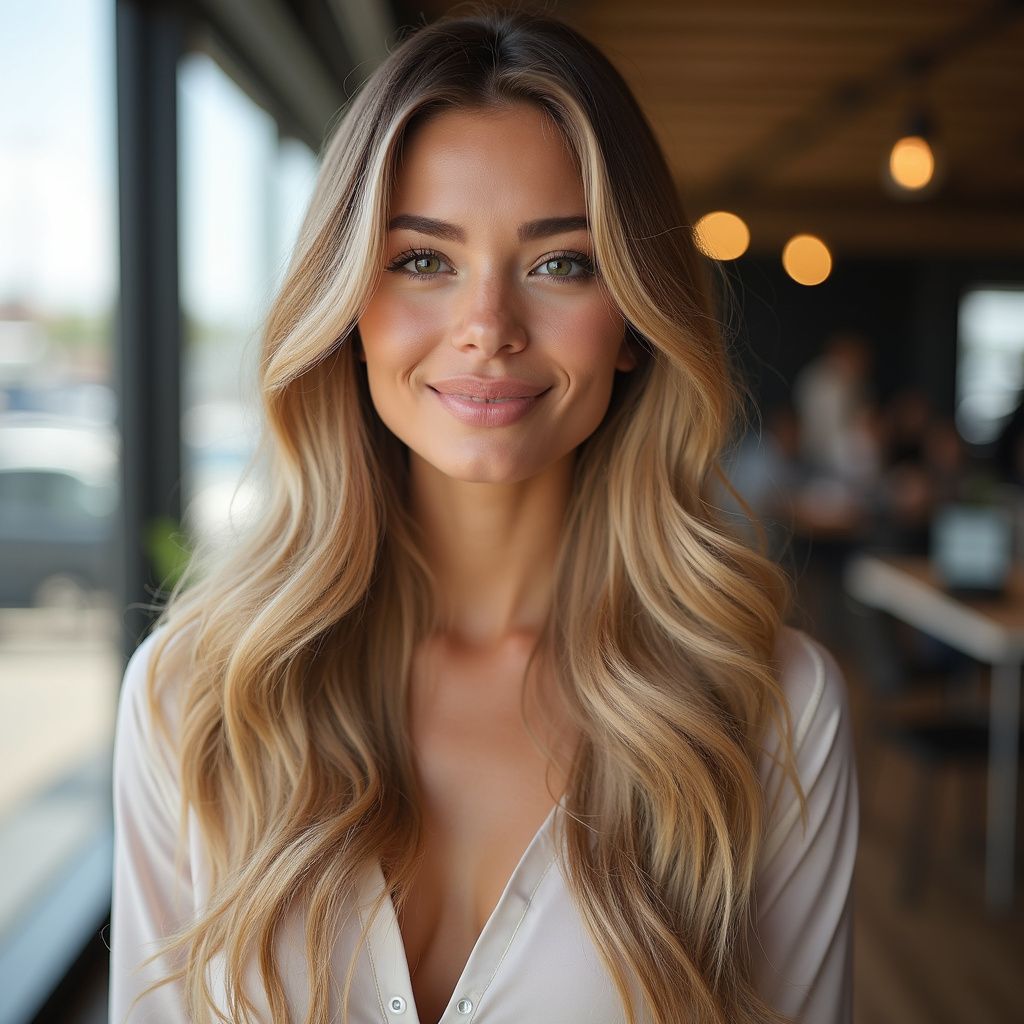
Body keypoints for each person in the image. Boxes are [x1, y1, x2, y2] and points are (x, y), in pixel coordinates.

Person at [108, 7, 858, 1024]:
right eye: (423, 259)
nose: (488, 330)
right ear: (348, 308)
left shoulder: (768, 709)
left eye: (560, 263)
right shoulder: (197, 694)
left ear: (632, 321)